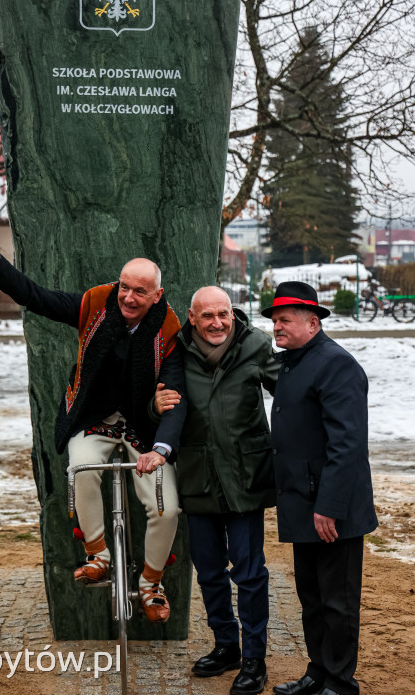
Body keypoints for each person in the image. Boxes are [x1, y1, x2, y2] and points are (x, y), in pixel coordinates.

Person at [0, 218, 187, 623]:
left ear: (157, 296)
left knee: (166, 506)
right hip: (91, 418)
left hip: (145, 429)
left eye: (140, 291)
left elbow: (175, 400)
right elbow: (36, 297)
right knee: (81, 467)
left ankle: (151, 584)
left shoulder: (170, 330)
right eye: (125, 286)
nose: (129, 296)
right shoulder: (94, 304)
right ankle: (98, 554)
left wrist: (160, 450)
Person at [154, 286, 280, 695]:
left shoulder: (255, 345)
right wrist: (151, 407)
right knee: (208, 571)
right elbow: (158, 407)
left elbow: (292, 392)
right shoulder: (176, 353)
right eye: (207, 316)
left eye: (223, 314)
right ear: (192, 318)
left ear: (232, 313)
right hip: (197, 476)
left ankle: (254, 658)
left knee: (249, 573)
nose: (217, 323)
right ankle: (226, 644)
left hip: (244, 478)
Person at [261, 281, 378, 695]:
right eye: (274, 321)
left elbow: (347, 445)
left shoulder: (336, 364)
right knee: (311, 598)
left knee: (337, 601)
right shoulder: (292, 362)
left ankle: (340, 682)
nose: (277, 327)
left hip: (332, 508)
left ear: (313, 323)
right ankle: (317, 672)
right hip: (300, 502)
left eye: (285, 320)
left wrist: (329, 506)